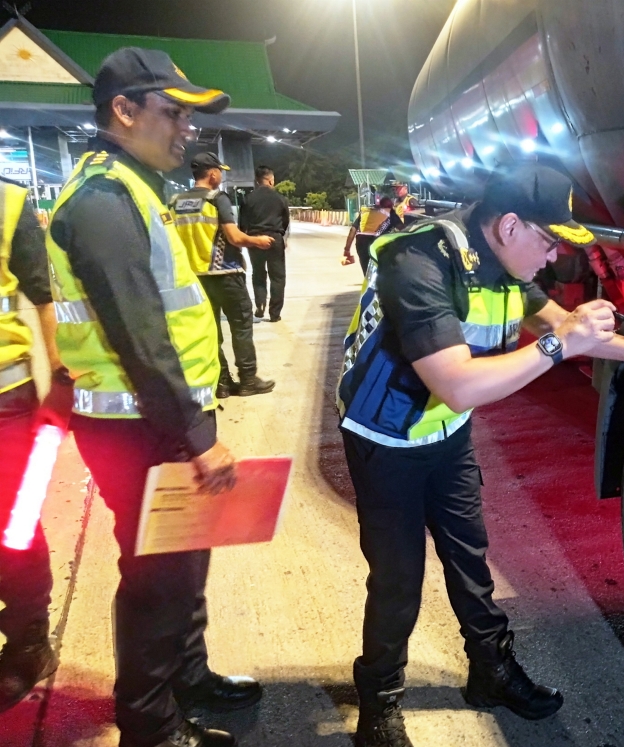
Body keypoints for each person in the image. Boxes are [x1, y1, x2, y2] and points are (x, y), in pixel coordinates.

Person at [336, 163, 624, 747]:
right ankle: (378, 701)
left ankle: (491, 672)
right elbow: (460, 382)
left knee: (470, 560)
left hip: (446, 433)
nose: (557, 259)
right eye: (551, 240)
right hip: (386, 439)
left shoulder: (506, 262)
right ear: (511, 225)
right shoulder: (419, 263)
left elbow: (565, 323)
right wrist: (560, 346)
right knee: (398, 578)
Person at [46, 47, 261, 747]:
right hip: (139, 426)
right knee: (157, 577)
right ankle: (150, 719)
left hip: (155, 419)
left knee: (185, 557)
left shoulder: (135, 188)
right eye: (174, 112)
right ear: (124, 110)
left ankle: (187, 675)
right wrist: (197, 435)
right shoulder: (104, 200)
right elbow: (141, 336)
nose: (186, 129)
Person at [0, 177, 64, 713]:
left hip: (4, 396)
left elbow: (44, 297)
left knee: (14, 526)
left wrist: (61, 382)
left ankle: (28, 642)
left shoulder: (9, 199)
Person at [170, 152, 276, 399]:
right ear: (213, 173)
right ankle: (248, 380)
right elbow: (235, 237)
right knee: (241, 328)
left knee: (210, 332)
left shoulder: (174, 202)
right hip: (225, 274)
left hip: (193, 280)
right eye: (220, 172)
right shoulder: (217, 198)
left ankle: (222, 382)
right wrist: (257, 241)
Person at [241, 166, 289, 322]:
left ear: (257, 180)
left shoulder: (248, 199)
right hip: (275, 239)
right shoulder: (280, 198)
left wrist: (247, 238)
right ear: (271, 179)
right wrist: (281, 236)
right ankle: (275, 313)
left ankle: (260, 305)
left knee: (258, 273)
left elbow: (242, 224)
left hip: (254, 239)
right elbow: (285, 221)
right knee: (278, 277)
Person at [341, 196, 403, 273]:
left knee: (366, 270)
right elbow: (402, 229)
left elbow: (352, 231)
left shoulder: (366, 212)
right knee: (381, 268)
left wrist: (347, 249)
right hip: (377, 243)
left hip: (361, 242)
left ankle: (369, 282)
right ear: (391, 206)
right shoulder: (390, 213)